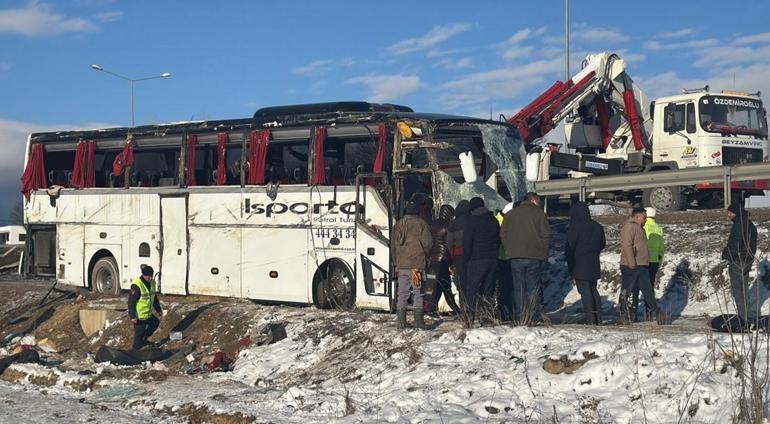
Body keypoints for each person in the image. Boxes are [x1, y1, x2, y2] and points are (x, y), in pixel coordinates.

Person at [501, 192, 550, 324]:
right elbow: (546, 236)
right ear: (533, 201)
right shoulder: (539, 214)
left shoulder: (510, 215)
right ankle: (533, 317)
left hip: (515, 256)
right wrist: (544, 255)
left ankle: (522, 317)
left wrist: (509, 248)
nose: (540, 204)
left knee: (519, 288)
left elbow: (503, 234)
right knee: (533, 288)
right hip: (534, 256)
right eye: (539, 201)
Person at [392, 201, 433, 329]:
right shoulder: (421, 224)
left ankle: (401, 323)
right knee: (418, 292)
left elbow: (393, 246)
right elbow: (428, 244)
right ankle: (419, 323)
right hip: (416, 266)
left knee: (402, 293)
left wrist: (396, 262)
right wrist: (425, 255)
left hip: (402, 265)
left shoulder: (398, 225)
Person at [619, 208, 663, 324]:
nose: (645, 220)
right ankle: (625, 315)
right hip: (632, 265)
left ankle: (658, 314)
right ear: (637, 216)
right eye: (644, 217)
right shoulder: (629, 227)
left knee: (647, 290)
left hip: (642, 264)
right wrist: (631, 262)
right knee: (627, 290)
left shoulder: (640, 227)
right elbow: (627, 245)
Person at [565, 202, 606, 325]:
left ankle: (590, 317)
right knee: (593, 289)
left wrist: (570, 264)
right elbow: (602, 244)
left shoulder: (575, 227)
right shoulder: (597, 226)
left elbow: (570, 247)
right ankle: (598, 316)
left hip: (579, 263)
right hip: (593, 261)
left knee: (585, 290)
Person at [462, 197, 500, 325]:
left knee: (471, 290)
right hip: (492, 259)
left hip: (476, 259)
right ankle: (486, 317)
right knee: (487, 290)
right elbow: (498, 239)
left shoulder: (471, 221)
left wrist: (466, 259)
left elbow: (467, 242)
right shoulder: (493, 220)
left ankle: (469, 318)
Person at [722, 202, 758, 322]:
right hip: (748, 260)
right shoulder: (750, 224)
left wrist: (727, 257)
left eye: (729, 213)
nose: (728, 215)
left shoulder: (739, 224)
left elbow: (735, 243)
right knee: (744, 289)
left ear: (735, 213)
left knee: (738, 291)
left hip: (738, 261)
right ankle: (748, 316)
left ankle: (744, 318)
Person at [426, 205, 462, 316]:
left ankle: (432, 308)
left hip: (433, 259)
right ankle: (453, 309)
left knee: (436, 286)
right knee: (445, 286)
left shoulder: (432, 224)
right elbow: (448, 246)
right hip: (444, 260)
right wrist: (452, 263)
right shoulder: (448, 226)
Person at [633, 207, 664, 320]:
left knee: (636, 286)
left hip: (643, 260)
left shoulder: (642, 226)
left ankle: (633, 312)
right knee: (649, 287)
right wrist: (659, 261)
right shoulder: (658, 228)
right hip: (654, 261)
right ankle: (650, 313)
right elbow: (661, 248)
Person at [128, 266, 163, 351]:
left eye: (151, 276)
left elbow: (154, 298)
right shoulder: (137, 285)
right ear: (144, 275)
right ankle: (135, 350)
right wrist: (132, 316)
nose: (150, 278)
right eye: (148, 276)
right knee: (139, 334)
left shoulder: (152, 283)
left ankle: (143, 341)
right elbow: (131, 302)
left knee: (155, 323)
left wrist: (158, 309)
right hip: (139, 316)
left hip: (148, 314)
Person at [446, 200, 471, 308]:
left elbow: (449, 242)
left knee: (461, 283)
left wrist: (452, 255)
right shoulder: (472, 220)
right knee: (471, 281)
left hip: (458, 255)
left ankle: (464, 306)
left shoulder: (453, 223)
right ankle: (472, 306)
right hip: (471, 255)